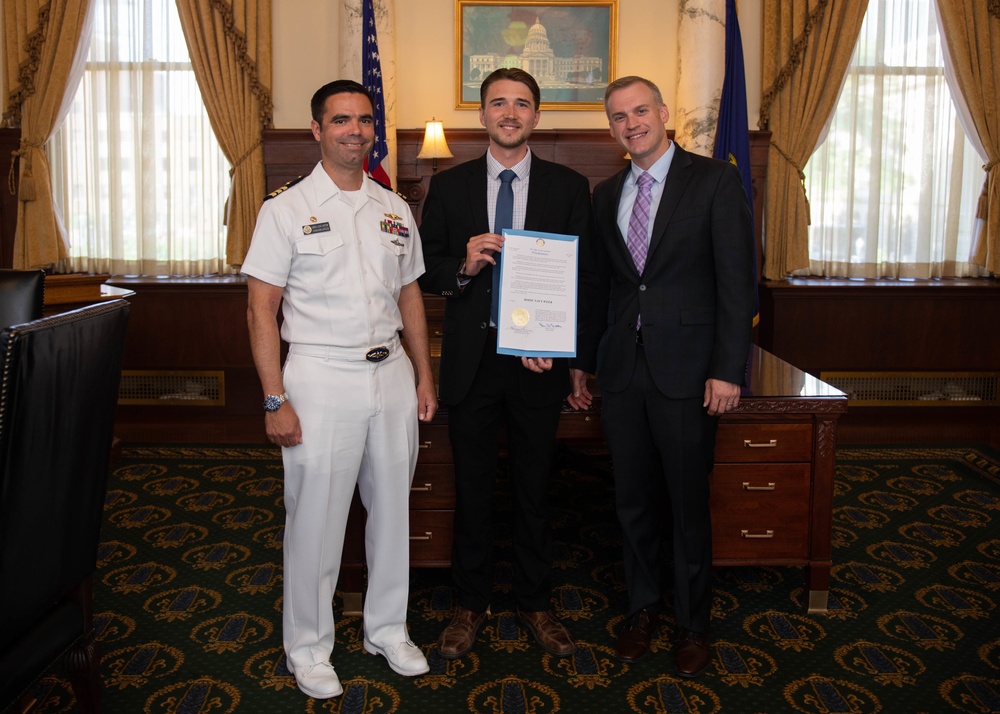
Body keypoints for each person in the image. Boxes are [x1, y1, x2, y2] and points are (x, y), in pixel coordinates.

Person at [242, 79, 437, 699]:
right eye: (341, 120)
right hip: (319, 376)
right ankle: (307, 645)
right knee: (316, 520)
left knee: (392, 512)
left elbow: (409, 295)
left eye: (364, 120)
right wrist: (275, 398)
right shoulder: (286, 209)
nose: (355, 130)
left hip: (392, 377)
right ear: (317, 131)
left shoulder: (394, 207)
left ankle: (387, 628)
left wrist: (424, 372)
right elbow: (260, 310)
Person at [570, 75, 755, 678]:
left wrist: (728, 370)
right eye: (619, 117)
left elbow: (737, 282)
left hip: (690, 374)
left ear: (664, 112)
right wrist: (583, 364)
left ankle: (693, 624)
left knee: (686, 504)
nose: (632, 124)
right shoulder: (606, 194)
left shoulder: (714, 180)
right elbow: (601, 286)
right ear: (612, 128)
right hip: (623, 373)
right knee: (632, 502)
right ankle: (643, 609)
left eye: (640, 111)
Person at [418, 68, 593, 660]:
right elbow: (425, 271)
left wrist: (567, 353)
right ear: (484, 115)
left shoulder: (570, 188)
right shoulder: (449, 187)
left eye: (522, 104)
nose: (510, 113)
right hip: (472, 364)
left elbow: (583, 282)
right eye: (498, 103)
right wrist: (464, 265)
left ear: (537, 116)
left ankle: (535, 602)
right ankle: (469, 604)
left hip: (537, 365)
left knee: (534, 490)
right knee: (471, 491)